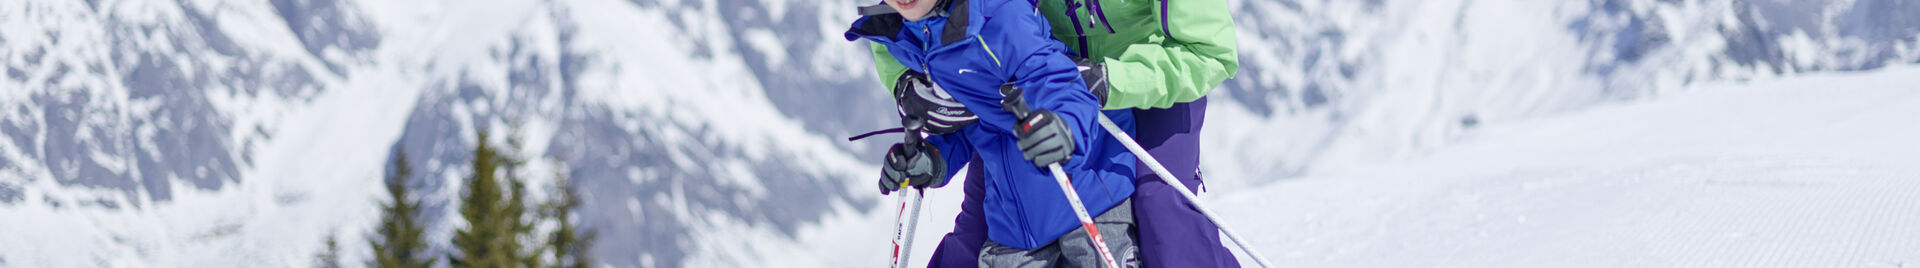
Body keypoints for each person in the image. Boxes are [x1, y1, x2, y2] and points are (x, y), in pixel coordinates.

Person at [870, 0, 1242, 266]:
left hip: (1152, 81)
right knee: (981, 225)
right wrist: (905, 83)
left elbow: (1210, 52)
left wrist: (1107, 80)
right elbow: (907, 16)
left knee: (1163, 212)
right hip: (1027, 88)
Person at [846, 0, 1144, 265]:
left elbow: (1061, 79)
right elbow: (979, 119)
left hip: (1087, 198)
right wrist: (934, 159)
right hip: (1012, 221)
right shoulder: (920, 35)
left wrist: (1065, 127)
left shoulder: (996, 13)